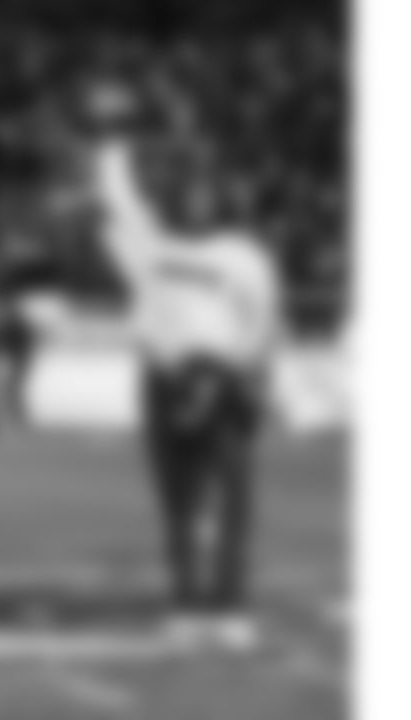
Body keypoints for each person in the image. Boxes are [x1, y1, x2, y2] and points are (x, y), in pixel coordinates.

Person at [90, 124, 281, 649]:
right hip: (163, 380)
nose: (194, 200)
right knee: (178, 503)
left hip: (223, 380)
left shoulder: (243, 255)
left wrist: (240, 379)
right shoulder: (151, 246)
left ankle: (232, 606)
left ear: (219, 199)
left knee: (234, 503)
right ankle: (185, 603)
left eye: (204, 191)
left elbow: (262, 325)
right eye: (184, 191)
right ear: (171, 197)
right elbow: (117, 199)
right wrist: (113, 143)